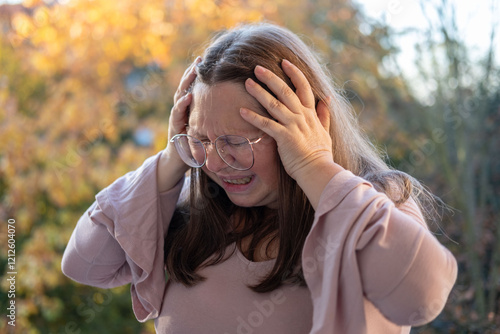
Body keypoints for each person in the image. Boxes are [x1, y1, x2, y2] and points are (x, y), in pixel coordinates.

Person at [62, 22, 457, 333]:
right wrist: (173, 158)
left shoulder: (375, 206)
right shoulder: (195, 211)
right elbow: (83, 264)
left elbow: (421, 296)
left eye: (235, 141)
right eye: (203, 140)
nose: (215, 163)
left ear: (304, 125)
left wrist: (315, 167)